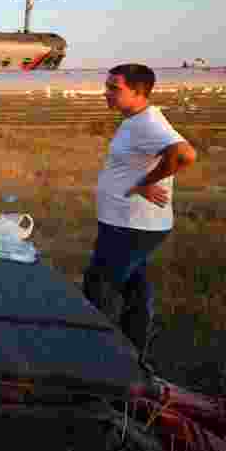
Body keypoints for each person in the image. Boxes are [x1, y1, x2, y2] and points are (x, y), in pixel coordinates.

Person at [82, 64, 197, 360]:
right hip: (124, 222)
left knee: (100, 289)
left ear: (138, 91)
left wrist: (147, 182)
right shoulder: (134, 120)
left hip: (133, 225)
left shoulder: (148, 122)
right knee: (135, 290)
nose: (106, 93)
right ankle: (133, 355)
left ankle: (98, 359)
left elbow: (184, 154)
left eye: (114, 88)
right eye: (107, 86)